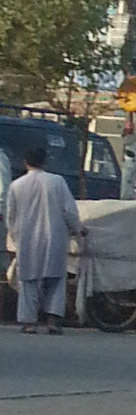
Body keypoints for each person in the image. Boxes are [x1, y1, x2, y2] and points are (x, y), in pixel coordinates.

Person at [5, 141, 81, 335]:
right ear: (45, 162)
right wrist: (77, 229)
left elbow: (11, 217)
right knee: (56, 280)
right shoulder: (57, 181)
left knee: (28, 281)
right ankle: (53, 321)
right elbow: (69, 211)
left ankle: (29, 323)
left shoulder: (16, 186)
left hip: (27, 239)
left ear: (25, 162)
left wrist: (15, 237)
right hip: (55, 237)